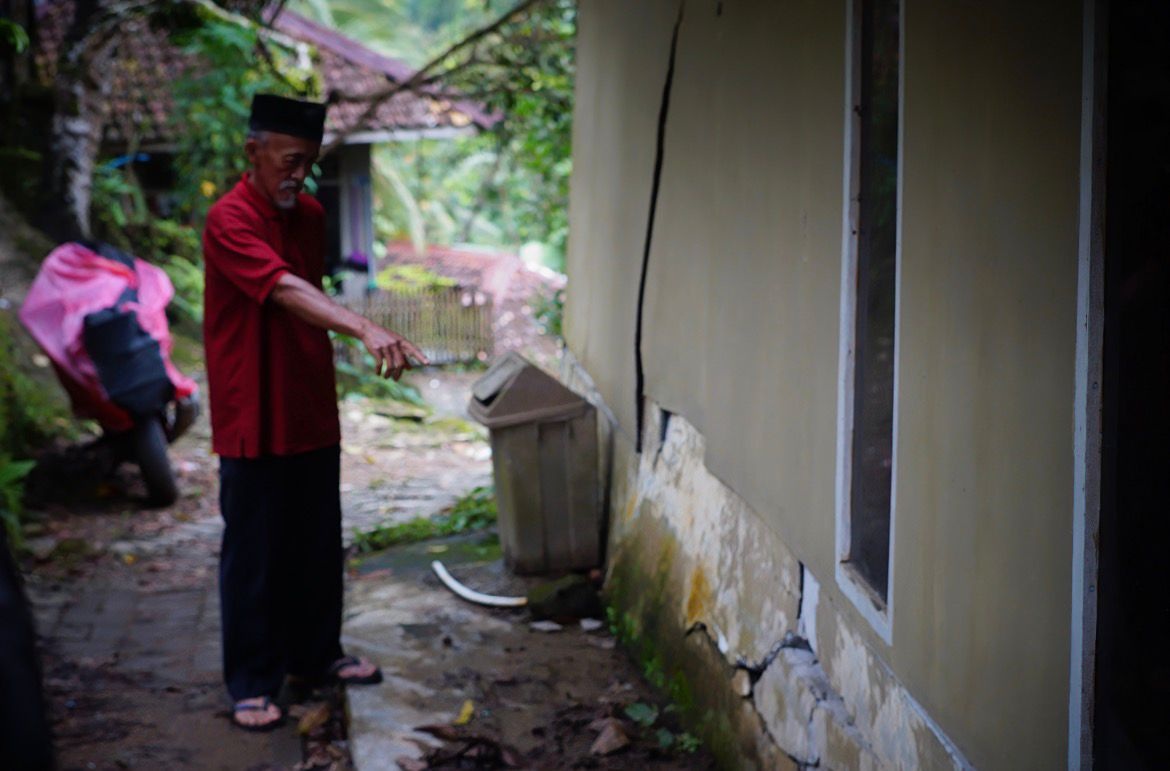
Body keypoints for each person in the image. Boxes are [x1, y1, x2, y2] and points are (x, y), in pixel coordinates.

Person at [202, 93, 428, 731]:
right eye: (289, 161)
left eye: (309, 162)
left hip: (307, 404)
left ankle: (314, 657)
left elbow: (311, 290)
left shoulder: (308, 215)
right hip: (252, 410)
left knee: (317, 541)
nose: (298, 174)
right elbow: (283, 288)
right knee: (255, 552)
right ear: (254, 153)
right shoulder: (228, 219)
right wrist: (363, 326)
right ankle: (252, 680)